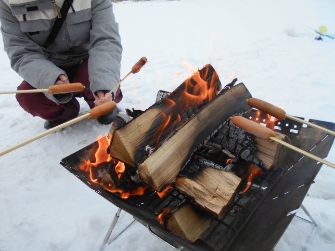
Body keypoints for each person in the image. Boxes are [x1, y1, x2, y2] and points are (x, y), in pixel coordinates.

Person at [0, 0, 122, 129]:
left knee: (104, 81)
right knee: (28, 97)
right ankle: (65, 113)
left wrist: (105, 84)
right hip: (48, 66)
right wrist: (50, 79)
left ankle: (102, 105)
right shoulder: (8, 2)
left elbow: (106, 40)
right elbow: (21, 51)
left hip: (89, 63)